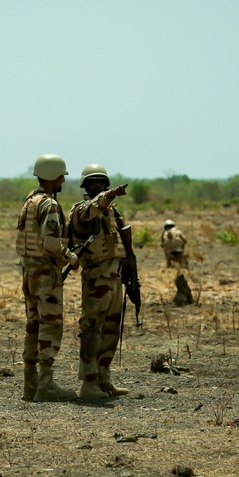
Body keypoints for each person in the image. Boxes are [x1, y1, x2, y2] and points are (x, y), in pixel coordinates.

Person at [15, 154, 80, 402]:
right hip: (45, 272)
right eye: (62, 175)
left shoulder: (29, 202)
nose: (64, 179)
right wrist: (70, 258)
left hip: (29, 271)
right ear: (54, 177)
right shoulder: (50, 205)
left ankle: (30, 385)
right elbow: (51, 242)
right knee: (50, 324)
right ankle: (46, 385)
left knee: (33, 324)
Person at [68, 164, 132, 401]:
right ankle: (88, 382)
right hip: (96, 278)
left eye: (101, 183)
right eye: (92, 183)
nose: (98, 186)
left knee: (111, 329)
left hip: (114, 276)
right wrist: (110, 195)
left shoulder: (112, 213)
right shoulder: (82, 211)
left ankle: (104, 377)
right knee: (92, 329)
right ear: (85, 186)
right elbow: (92, 208)